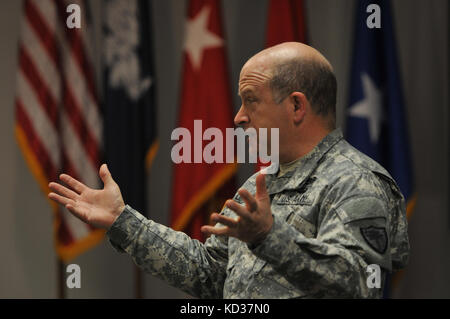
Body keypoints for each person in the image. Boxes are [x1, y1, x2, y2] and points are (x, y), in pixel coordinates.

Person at [48, 42, 409, 298]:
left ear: (297, 106)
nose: (238, 117)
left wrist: (270, 237)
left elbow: (359, 284)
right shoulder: (260, 183)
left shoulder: (356, 181)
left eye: (251, 100)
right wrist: (123, 221)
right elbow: (210, 272)